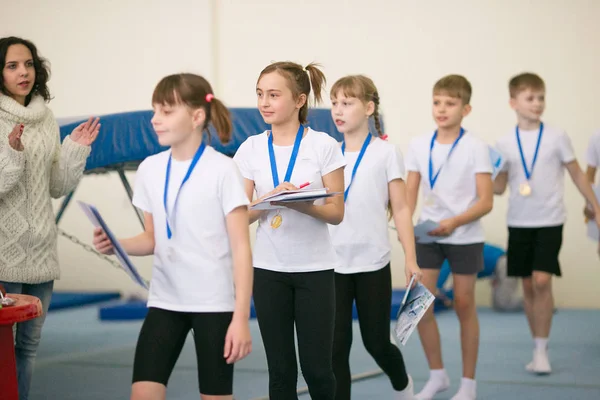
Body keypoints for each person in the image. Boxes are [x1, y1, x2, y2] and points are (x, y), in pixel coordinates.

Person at [93, 73, 253, 400]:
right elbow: (152, 239)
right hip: (165, 301)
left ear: (196, 117)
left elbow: (241, 250)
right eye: (155, 111)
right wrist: (117, 245)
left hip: (213, 305)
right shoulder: (150, 169)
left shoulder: (223, 170)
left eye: (166, 111)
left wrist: (241, 318)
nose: (155, 120)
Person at [233, 61, 345, 399]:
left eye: (273, 95)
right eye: (260, 94)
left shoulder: (324, 146)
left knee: (317, 370)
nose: (264, 102)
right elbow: (239, 216)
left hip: (315, 271)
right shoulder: (250, 148)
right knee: (280, 372)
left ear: (299, 100)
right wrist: (267, 200)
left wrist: (301, 205)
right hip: (268, 272)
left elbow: (337, 212)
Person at [0, 36, 100, 400]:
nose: (23, 72)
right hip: (3, 255)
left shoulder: (45, 117)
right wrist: (11, 154)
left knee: (28, 347)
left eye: (27, 64)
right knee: (2, 351)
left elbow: (57, 185)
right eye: (12, 66)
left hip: (42, 250)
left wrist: (75, 148)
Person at [493, 72, 600, 375]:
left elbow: (578, 174)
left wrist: (595, 205)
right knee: (527, 284)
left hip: (550, 219)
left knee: (542, 280)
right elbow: (500, 188)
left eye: (541, 98)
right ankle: (537, 346)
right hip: (519, 221)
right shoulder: (503, 143)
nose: (538, 103)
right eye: (530, 98)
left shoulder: (556, 136)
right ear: (513, 102)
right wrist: (490, 172)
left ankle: (542, 348)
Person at [327, 74, 421, 400]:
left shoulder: (386, 152)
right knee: (336, 347)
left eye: (347, 103)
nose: (338, 110)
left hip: (372, 263)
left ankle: (403, 386)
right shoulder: (328, 154)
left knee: (376, 343)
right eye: (334, 103)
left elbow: (402, 209)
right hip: (334, 264)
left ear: (368, 107)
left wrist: (410, 257)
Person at [405, 75, 493, 400]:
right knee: (419, 306)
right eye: (437, 102)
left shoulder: (476, 147)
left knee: (463, 303)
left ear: (465, 109)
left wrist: (454, 222)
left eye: (450, 103)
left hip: (464, 235)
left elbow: (486, 200)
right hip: (428, 234)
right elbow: (409, 196)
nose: (442, 109)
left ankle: (468, 383)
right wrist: (406, 233)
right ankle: (437, 376)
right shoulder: (418, 145)